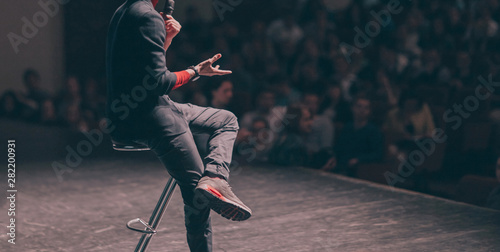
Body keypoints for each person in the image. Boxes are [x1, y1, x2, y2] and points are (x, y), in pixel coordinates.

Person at [106, 1, 251, 251]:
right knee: (198, 198)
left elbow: (142, 72)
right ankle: (210, 185)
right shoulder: (148, 17)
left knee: (226, 120)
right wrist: (196, 71)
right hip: (152, 116)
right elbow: (158, 82)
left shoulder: (124, 11)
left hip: (125, 117)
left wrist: (167, 39)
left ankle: (215, 177)